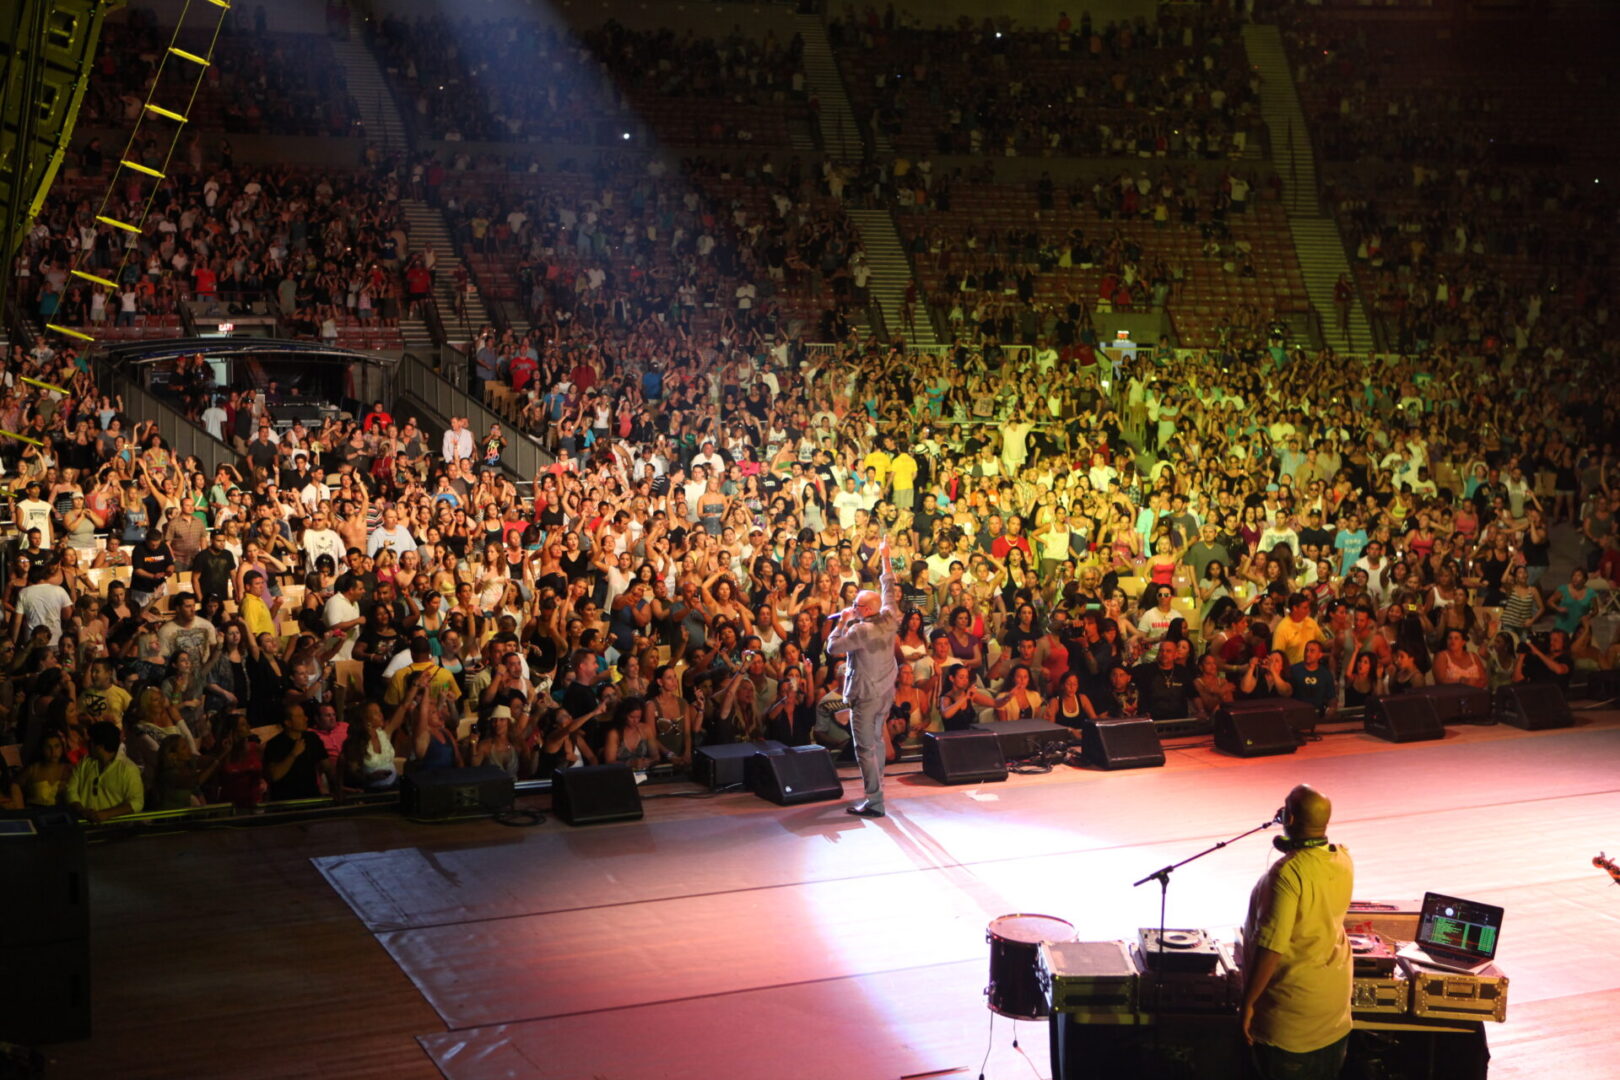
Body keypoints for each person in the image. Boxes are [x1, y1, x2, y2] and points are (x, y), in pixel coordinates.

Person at [1241, 783, 1354, 1080]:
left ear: (1288, 818)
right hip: (1334, 1017)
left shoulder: (1287, 875)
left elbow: (1271, 948)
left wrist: (1248, 1003)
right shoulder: (1343, 859)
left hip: (1291, 1021)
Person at [824, 537, 900, 818]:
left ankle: (874, 801)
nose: (853, 607)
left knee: (864, 747)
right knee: (877, 741)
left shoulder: (859, 630)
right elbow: (888, 587)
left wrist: (842, 622)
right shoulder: (890, 616)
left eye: (856, 605)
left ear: (866, 610)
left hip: (865, 696)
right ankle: (877, 789)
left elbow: (833, 648)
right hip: (885, 693)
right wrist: (885, 557)